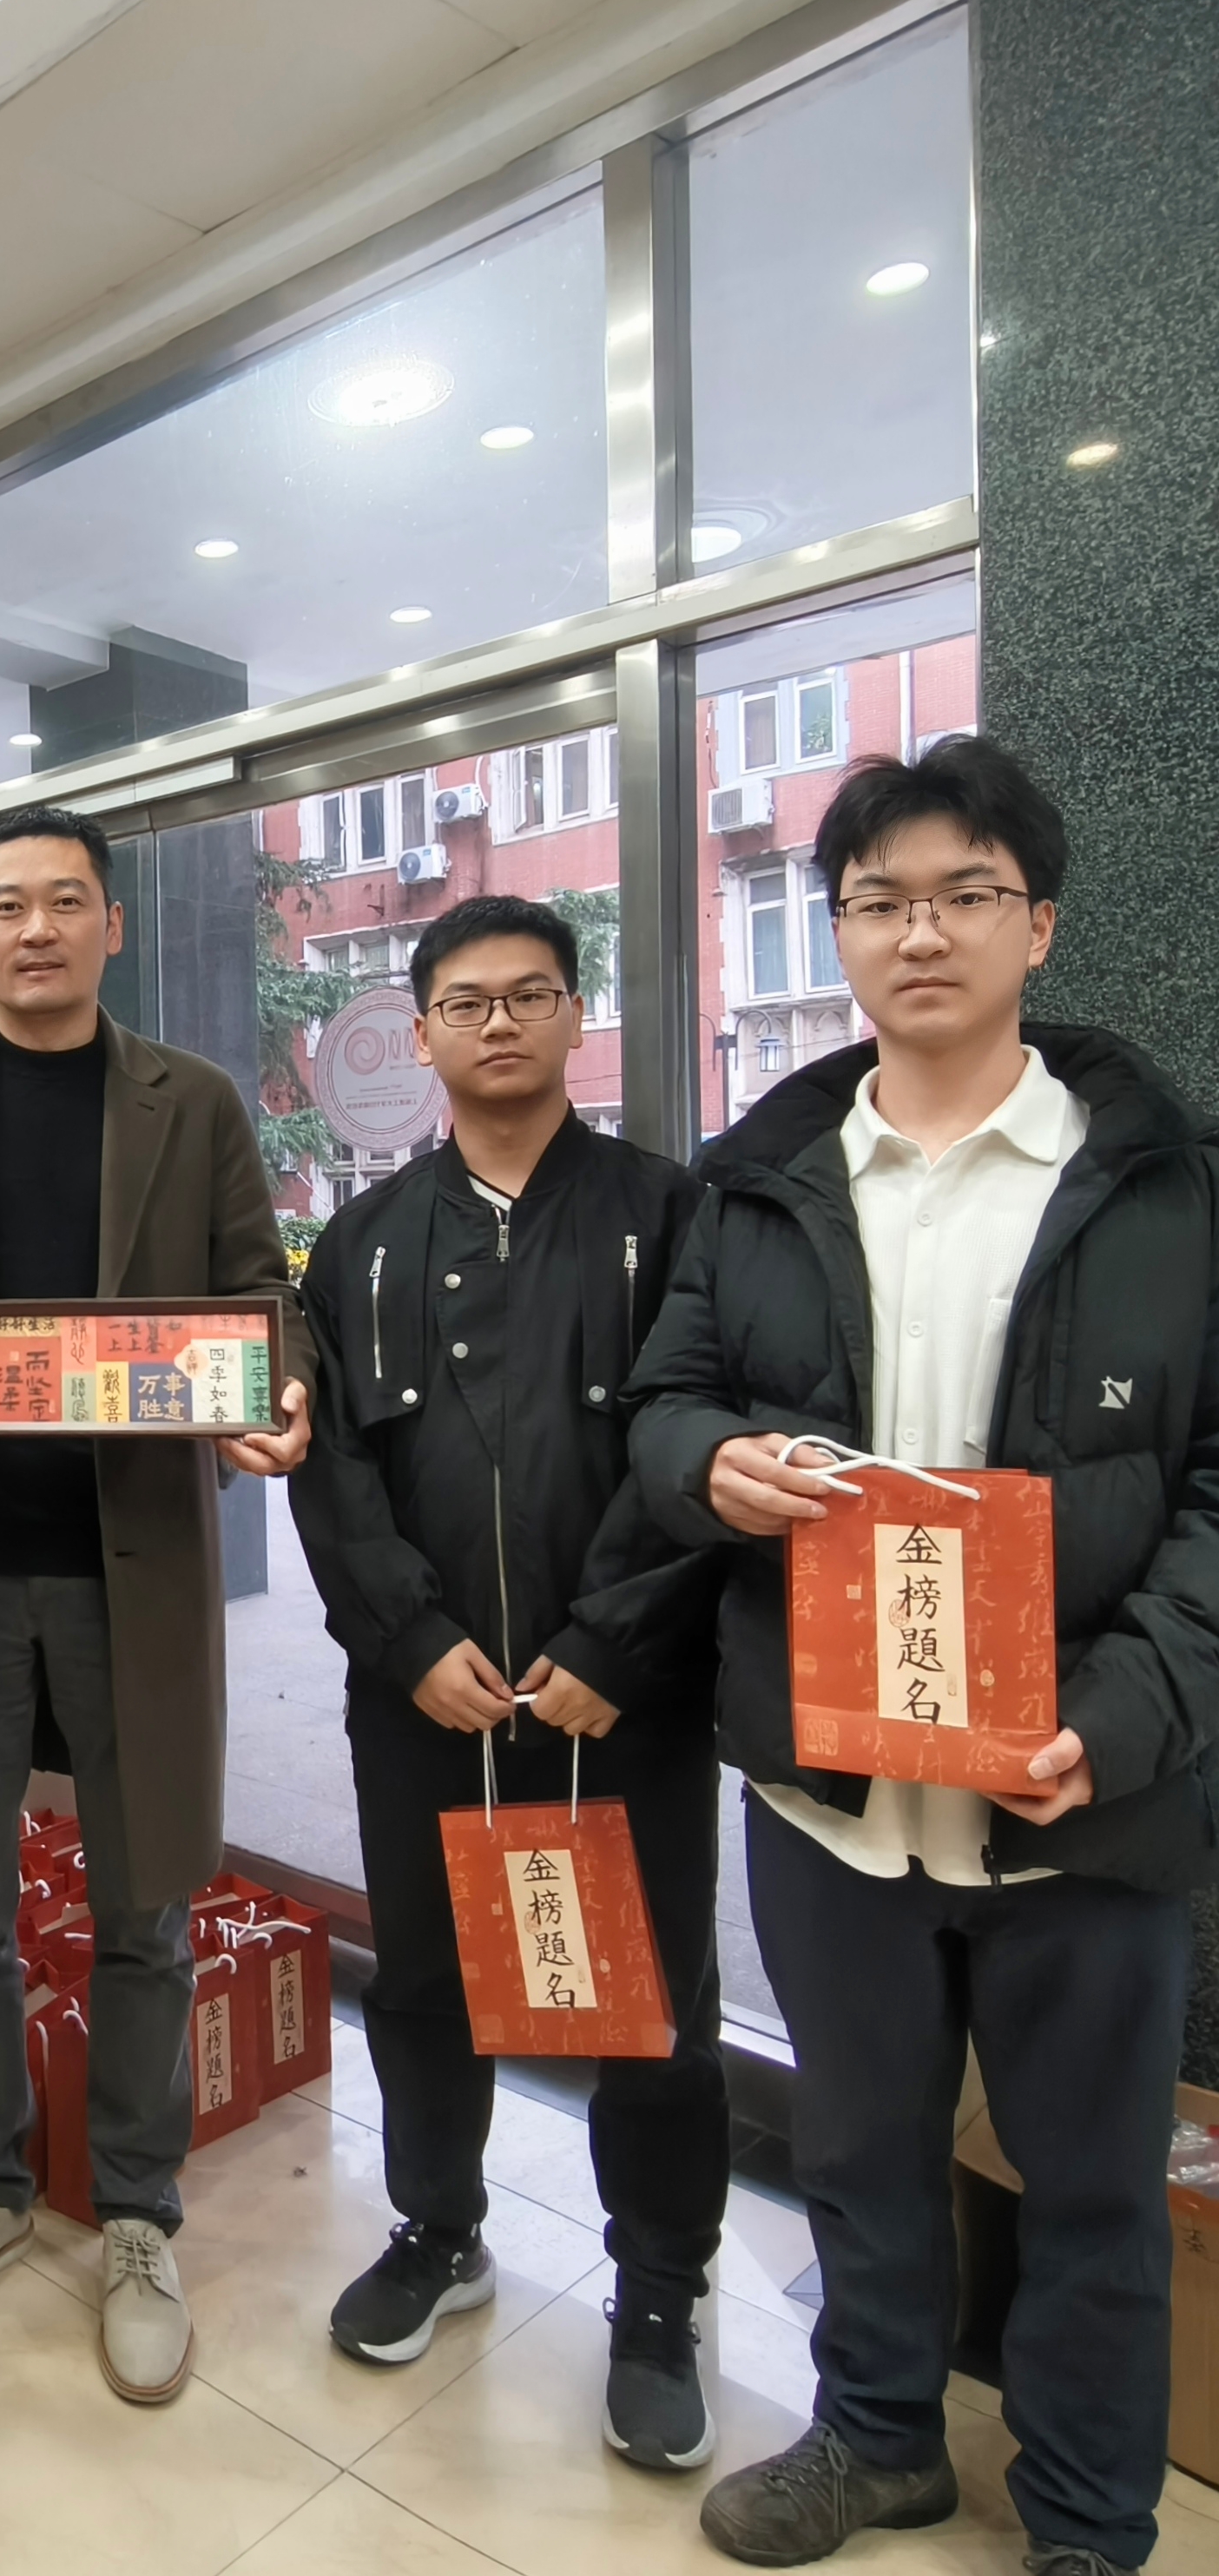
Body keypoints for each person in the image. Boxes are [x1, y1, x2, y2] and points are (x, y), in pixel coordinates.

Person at [626, 740, 1219, 2576]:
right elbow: (666, 1402)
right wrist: (707, 1466)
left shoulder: (1168, 1187)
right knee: (860, 2155)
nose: (922, 931)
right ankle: (879, 2439)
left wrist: (1121, 1718)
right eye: (879, 899)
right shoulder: (761, 1182)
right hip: (835, 1791)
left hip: (1078, 1797)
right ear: (839, 933)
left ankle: (1088, 2517)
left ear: (1038, 925)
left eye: (967, 893)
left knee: (1096, 2192)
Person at [0, 802, 314, 2405]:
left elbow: (261, 1291)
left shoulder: (194, 1100)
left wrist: (273, 1390)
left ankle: (142, 2211)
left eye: (66, 902)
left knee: (148, 1898)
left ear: (111, 925)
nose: (37, 929)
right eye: (8, 906)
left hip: (132, 1562)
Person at [287, 893, 728, 2469]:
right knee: (421, 1979)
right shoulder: (361, 1243)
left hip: (619, 1695)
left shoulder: (670, 1215)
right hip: (428, 1697)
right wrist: (406, 1641)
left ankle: (659, 2291)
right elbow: (330, 1470)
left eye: (528, 994)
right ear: (419, 1034)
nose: (497, 1023)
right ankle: (439, 2227)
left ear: (572, 1014)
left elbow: (704, 1446)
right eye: (464, 1001)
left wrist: (614, 1643)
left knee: (647, 2005)